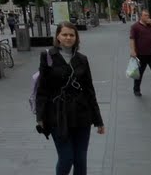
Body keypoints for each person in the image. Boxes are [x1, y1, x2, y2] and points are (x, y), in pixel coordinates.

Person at [35, 21, 106, 175]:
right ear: (58, 37)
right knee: (66, 158)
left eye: (71, 35)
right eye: (64, 34)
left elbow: (89, 90)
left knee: (80, 160)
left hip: (81, 114)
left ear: (76, 37)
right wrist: (40, 116)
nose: (68, 38)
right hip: (57, 115)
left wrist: (98, 120)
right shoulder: (48, 56)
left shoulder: (82, 59)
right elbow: (42, 89)